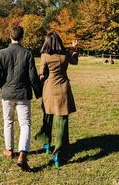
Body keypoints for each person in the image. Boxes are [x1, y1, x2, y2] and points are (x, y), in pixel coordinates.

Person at [0, 25, 42, 170]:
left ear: (10, 36)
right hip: (23, 94)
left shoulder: (2, 53)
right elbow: (33, 76)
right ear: (22, 37)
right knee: (25, 124)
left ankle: (9, 150)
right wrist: (38, 92)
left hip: (7, 93)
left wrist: (2, 85)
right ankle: (23, 153)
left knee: (8, 121)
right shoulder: (27, 53)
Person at [35, 32, 78, 168]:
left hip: (49, 89)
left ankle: (46, 143)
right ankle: (59, 153)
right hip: (63, 88)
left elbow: (42, 75)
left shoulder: (45, 56)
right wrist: (74, 49)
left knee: (47, 116)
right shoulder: (65, 55)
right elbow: (75, 61)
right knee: (62, 121)